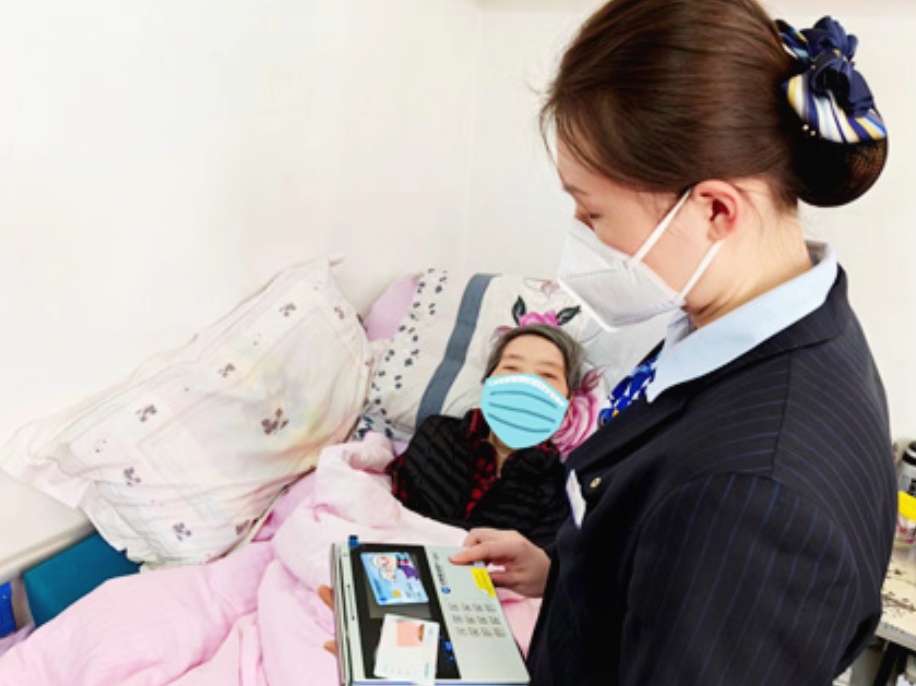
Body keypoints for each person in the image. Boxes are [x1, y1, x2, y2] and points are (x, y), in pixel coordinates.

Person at [449, 1, 897, 684]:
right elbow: (661, 547)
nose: (580, 237)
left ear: (715, 208)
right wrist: (566, 571)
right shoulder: (775, 324)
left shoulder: (750, 502)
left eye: (592, 211)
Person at [388, 322, 595, 548]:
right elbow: (397, 514)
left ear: (567, 401)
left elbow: (535, 560)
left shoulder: (558, 487)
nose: (526, 384)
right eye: (512, 368)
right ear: (488, 381)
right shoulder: (436, 435)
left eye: (546, 375)